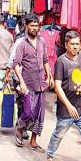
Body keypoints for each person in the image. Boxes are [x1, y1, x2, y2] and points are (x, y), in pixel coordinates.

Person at [44, 31, 81, 161]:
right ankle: (50, 155)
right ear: (66, 45)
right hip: (66, 110)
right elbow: (58, 87)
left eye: (77, 44)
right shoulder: (61, 61)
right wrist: (68, 105)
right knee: (58, 135)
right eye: (72, 44)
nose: (75, 47)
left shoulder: (80, 59)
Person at [12, 14, 53, 151]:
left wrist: (49, 75)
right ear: (26, 26)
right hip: (27, 84)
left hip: (41, 83)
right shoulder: (22, 44)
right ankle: (19, 127)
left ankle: (33, 142)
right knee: (28, 112)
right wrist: (21, 82)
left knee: (39, 115)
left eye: (36, 25)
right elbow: (16, 64)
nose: (34, 28)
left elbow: (46, 60)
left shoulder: (42, 42)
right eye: (32, 26)